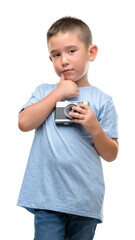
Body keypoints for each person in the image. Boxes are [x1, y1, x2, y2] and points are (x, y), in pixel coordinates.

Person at [17, 16, 119, 240]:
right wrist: (58, 94)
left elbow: (111, 154)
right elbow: (24, 123)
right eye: (56, 54)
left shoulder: (103, 101)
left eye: (71, 51)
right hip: (47, 198)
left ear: (91, 52)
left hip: (85, 202)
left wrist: (94, 128)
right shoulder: (45, 92)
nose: (63, 60)